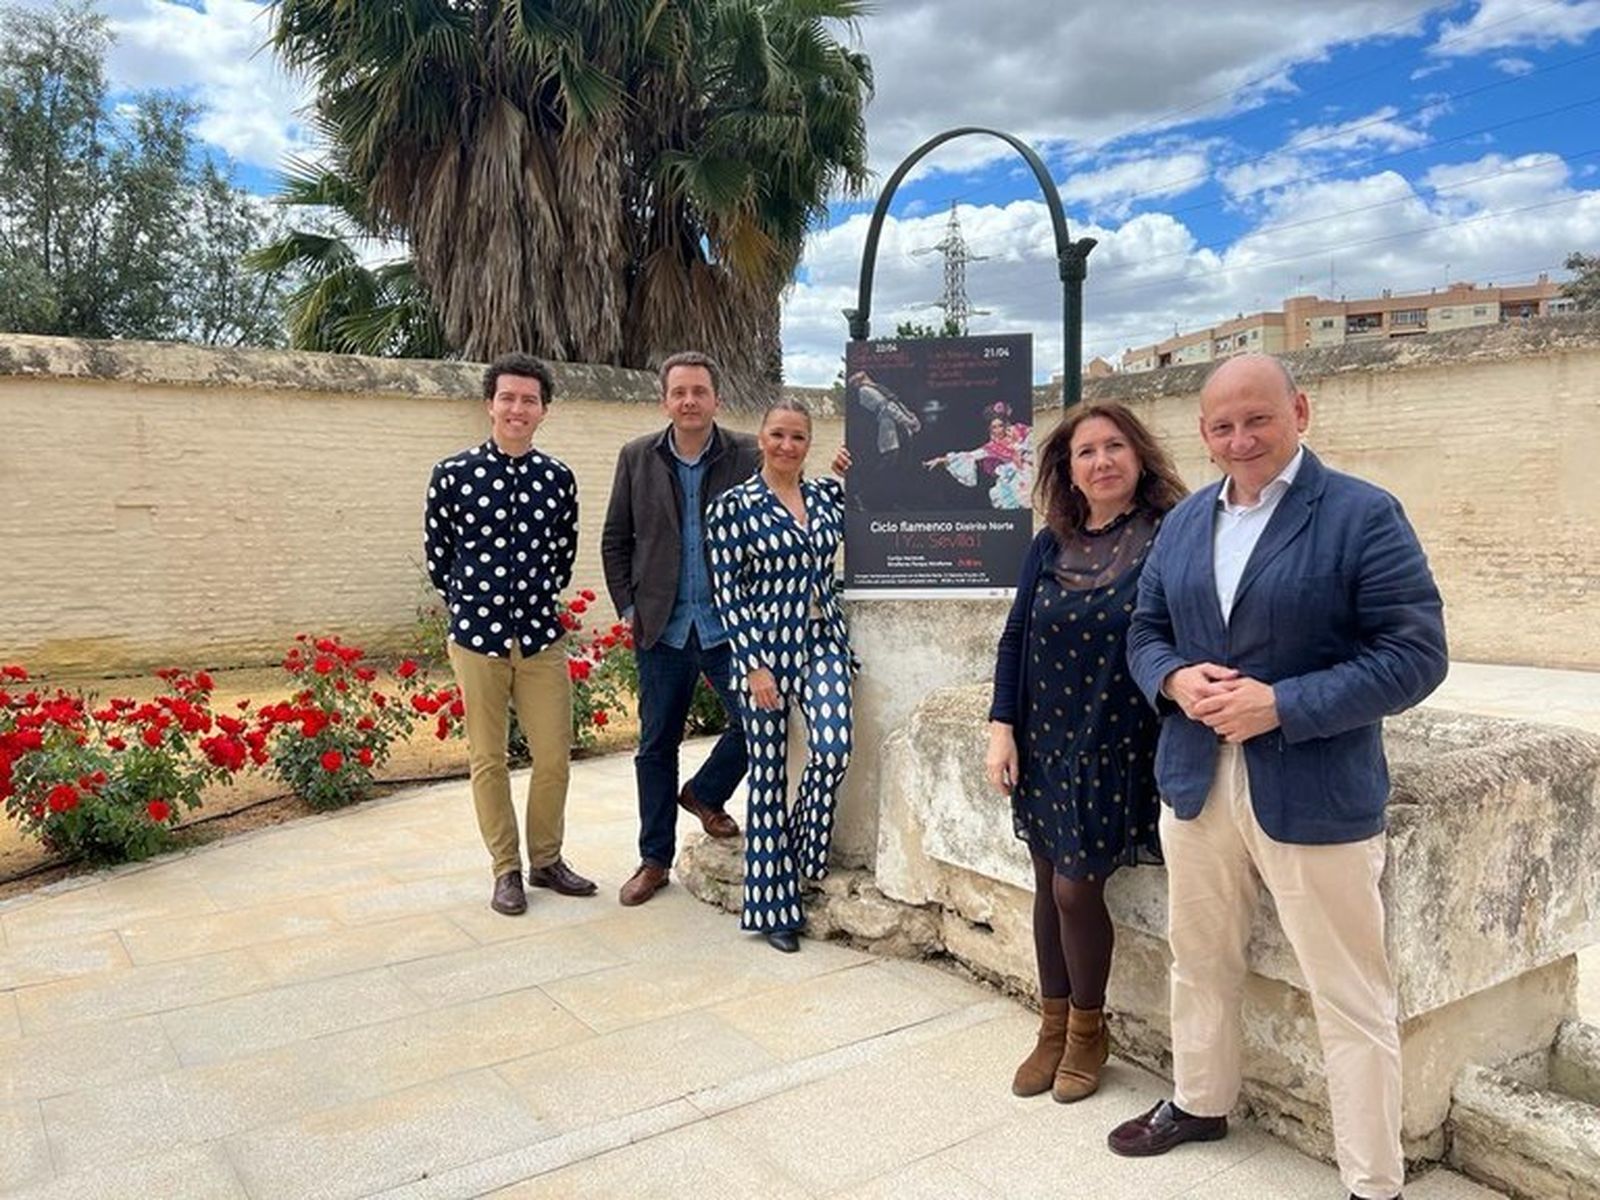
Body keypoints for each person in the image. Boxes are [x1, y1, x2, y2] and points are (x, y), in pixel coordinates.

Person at [1108, 354, 1447, 1200]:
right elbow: (1146, 631)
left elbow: (1415, 655)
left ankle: (1373, 1176)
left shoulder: (1363, 514)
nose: (1240, 438)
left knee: (1349, 991)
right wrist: (1175, 681)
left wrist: (1283, 704)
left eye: (1257, 419)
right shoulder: (1185, 523)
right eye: (1222, 426)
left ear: (1300, 409)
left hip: (1316, 787)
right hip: (1194, 782)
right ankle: (1200, 1100)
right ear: (1203, 434)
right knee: (1200, 958)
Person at [987, 402, 1187, 1104]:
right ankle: (1050, 1026)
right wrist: (1001, 725)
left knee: (1076, 887)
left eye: (1113, 447)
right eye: (1085, 452)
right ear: (1067, 470)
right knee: (1047, 883)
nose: (1100, 462)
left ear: (1138, 455)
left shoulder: (1169, 534)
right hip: (1046, 738)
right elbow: (1016, 637)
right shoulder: (1051, 542)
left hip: (1119, 741)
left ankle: (1088, 1031)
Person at [424, 352, 597, 916]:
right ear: (490, 404)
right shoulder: (452, 475)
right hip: (478, 638)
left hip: (541, 637)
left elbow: (563, 555)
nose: (517, 408)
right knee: (488, 758)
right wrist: (479, 603)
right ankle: (506, 869)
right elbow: (439, 558)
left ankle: (547, 859)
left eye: (529, 400)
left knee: (553, 756)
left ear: (543, 410)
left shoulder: (558, 479)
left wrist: (529, 600)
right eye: (508, 398)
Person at [601, 351, 760, 907]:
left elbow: (782, 516)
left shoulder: (748, 453)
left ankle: (705, 791)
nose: (689, 401)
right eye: (679, 392)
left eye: (700, 391)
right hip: (662, 629)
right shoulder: (636, 457)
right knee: (655, 745)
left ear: (716, 398)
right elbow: (615, 540)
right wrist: (629, 609)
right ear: (665, 400)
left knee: (761, 722)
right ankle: (653, 861)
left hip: (729, 626)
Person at [707, 397, 854, 953]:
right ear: (761, 438)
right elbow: (728, 596)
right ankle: (774, 909)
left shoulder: (822, 497)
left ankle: (795, 849)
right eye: (778, 435)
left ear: (808, 444)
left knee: (834, 749)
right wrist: (753, 666)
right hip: (764, 654)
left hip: (822, 642)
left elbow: (865, 500)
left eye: (798, 437)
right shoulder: (733, 508)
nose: (787, 445)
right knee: (767, 778)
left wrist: (849, 473)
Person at [923, 402, 1033, 509]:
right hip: (1017, 479)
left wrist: (1020, 451)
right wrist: (940, 459)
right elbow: (968, 456)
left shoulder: (1019, 430)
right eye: (994, 427)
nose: (999, 430)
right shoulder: (991, 448)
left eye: (1000, 426)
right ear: (990, 429)